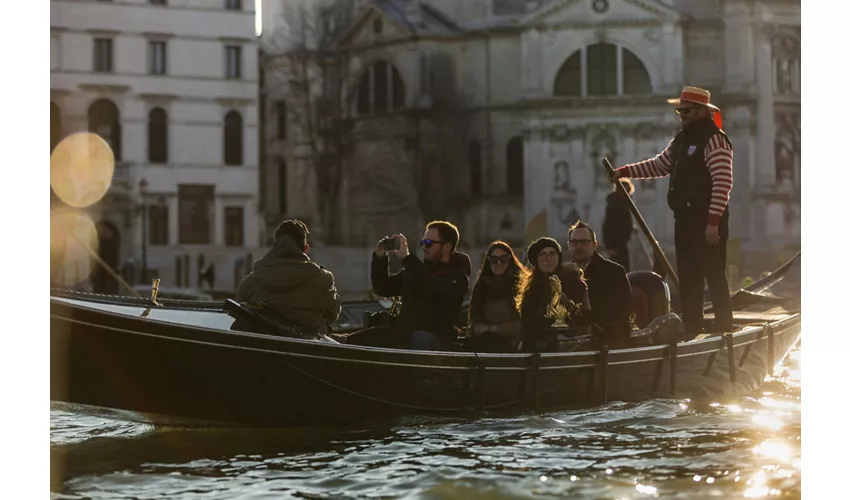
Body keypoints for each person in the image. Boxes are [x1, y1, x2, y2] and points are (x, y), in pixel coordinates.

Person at [610, 85, 734, 336]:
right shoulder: (681, 140)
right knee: (689, 277)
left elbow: (723, 183)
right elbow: (659, 165)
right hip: (685, 220)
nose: (681, 114)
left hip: (708, 220)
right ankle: (692, 327)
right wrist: (625, 172)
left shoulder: (716, 139)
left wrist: (712, 223)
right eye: (680, 111)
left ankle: (723, 328)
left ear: (701, 111)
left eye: (686, 110)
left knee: (713, 275)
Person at [368, 220, 471, 351]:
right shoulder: (417, 271)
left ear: (446, 247)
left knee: (420, 337)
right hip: (404, 337)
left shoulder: (457, 279)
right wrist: (380, 257)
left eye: (429, 243)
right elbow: (383, 287)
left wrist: (407, 258)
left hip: (435, 343)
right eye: (423, 242)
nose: (424, 247)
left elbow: (431, 286)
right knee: (376, 333)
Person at [236, 219, 341, 335]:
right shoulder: (323, 279)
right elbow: (333, 315)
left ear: (275, 245)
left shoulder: (252, 281)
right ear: (305, 249)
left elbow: (240, 315)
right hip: (308, 350)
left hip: (263, 348)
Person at [516, 237, 589, 353]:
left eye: (552, 253)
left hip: (569, 347)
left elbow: (585, 315)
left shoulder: (574, 283)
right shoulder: (531, 290)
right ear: (537, 260)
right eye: (542, 254)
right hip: (537, 350)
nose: (547, 258)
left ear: (558, 257)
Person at [566, 220, 633, 344]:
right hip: (571, 339)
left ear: (594, 244)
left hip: (607, 340)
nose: (579, 246)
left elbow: (620, 311)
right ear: (569, 245)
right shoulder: (564, 275)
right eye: (574, 242)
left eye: (584, 242)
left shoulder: (614, 272)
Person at [466, 241, 528, 352]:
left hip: (512, 345)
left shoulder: (521, 285)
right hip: (485, 342)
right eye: (494, 260)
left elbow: (522, 323)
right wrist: (488, 330)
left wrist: (495, 329)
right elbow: (475, 321)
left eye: (503, 259)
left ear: (510, 260)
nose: (499, 263)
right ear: (489, 262)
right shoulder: (481, 287)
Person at [602, 178, 635, 271]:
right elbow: (608, 225)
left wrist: (631, 228)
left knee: (623, 268)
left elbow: (625, 221)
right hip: (616, 242)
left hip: (623, 241)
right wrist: (609, 246)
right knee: (619, 269)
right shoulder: (615, 204)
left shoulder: (624, 203)